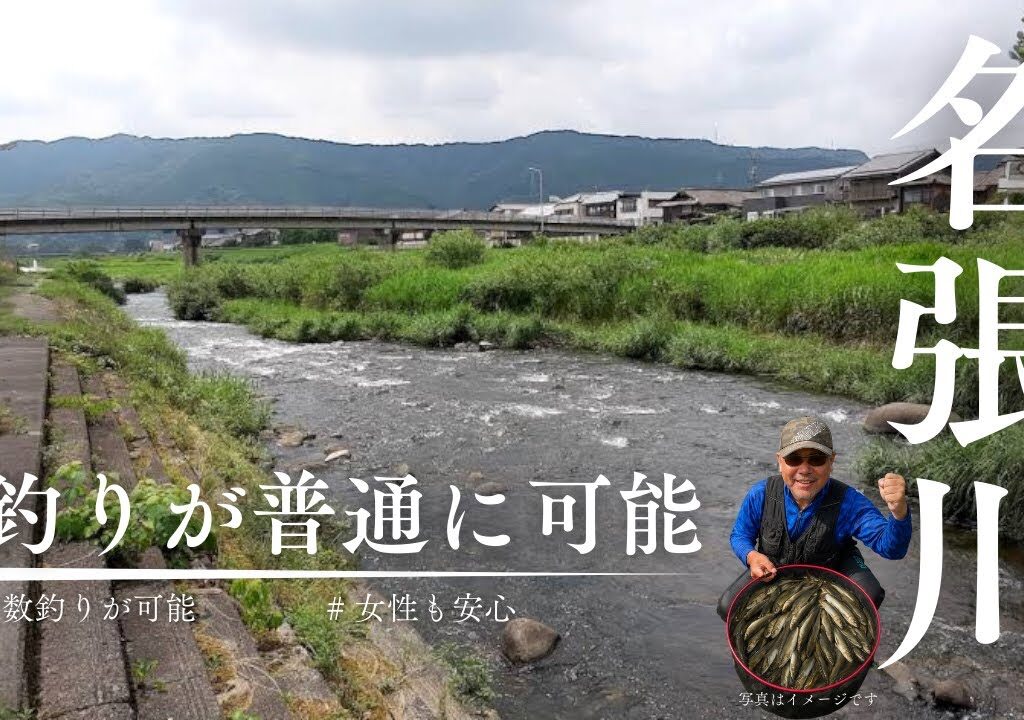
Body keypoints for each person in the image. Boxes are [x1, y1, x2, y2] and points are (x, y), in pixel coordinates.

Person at [716, 416, 912, 621]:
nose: (804, 469)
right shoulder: (761, 494)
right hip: (775, 570)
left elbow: (892, 549)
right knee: (727, 607)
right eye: (794, 459)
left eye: (816, 459)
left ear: (831, 461)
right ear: (779, 462)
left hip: (832, 571)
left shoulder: (850, 503)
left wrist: (899, 512)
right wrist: (751, 556)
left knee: (870, 596)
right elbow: (740, 535)